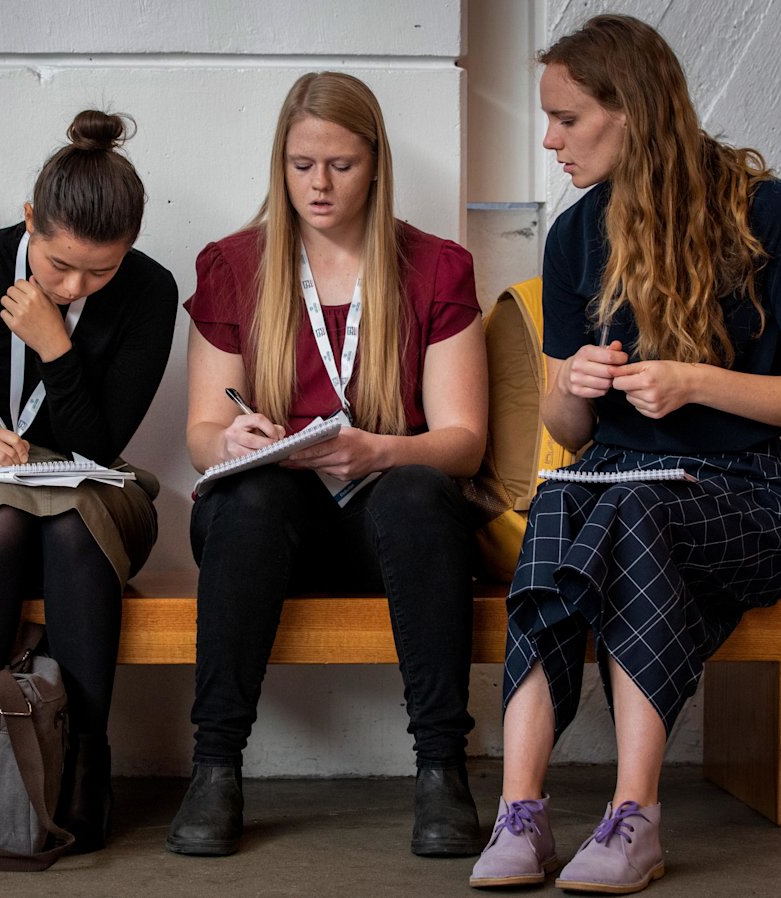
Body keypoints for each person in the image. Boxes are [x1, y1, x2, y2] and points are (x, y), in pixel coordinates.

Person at [469, 15, 781, 895]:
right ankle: (521, 813)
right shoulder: (574, 237)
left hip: (747, 495)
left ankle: (634, 813)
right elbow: (568, 432)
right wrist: (579, 382)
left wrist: (695, 382)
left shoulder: (762, 210)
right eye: (548, 117)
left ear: (632, 111)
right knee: (566, 495)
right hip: (616, 485)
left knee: (623, 510)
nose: (550, 139)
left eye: (567, 118)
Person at [166, 71, 489, 858]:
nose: (318, 184)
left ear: (376, 164)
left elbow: (463, 441)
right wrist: (232, 442)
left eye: (340, 165)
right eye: (301, 163)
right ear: (279, 161)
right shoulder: (233, 263)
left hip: (393, 532)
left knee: (417, 490)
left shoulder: (437, 266)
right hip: (270, 532)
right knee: (246, 498)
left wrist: (381, 449)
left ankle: (443, 770)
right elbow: (202, 433)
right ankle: (214, 769)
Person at [0, 110, 177, 853]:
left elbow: (100, 447)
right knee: (1, 523)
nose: (76, 284)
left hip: (93, 495)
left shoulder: (149, 291)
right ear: (29, 218)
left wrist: (56, 344)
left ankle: (82, 771)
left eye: (100, 271)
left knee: (73, 522)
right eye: (58, 266)